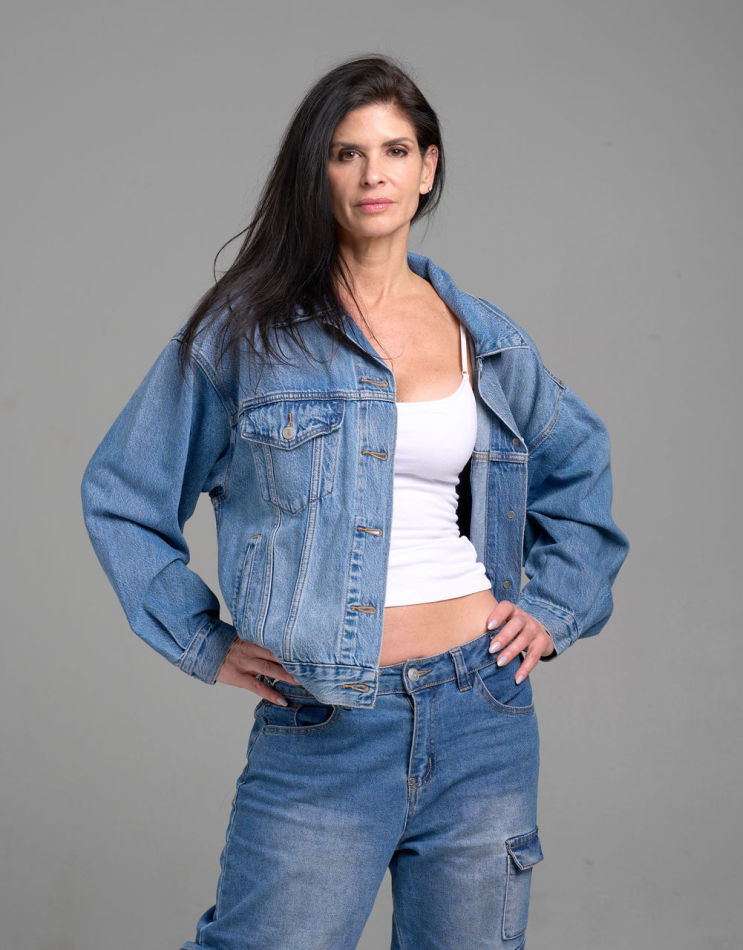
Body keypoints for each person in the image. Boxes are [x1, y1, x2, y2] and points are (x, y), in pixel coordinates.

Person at [81, 54, 629, 950]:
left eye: (396, 150)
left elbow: (580, 467)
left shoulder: (483, 337)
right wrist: (201, 640)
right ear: (318, 171)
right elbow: (122, 492)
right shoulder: (248, 335)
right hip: (325, 721)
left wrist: (555, 607)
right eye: (347, 153)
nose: (374, 174)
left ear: (428, 168)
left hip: (482, 710)